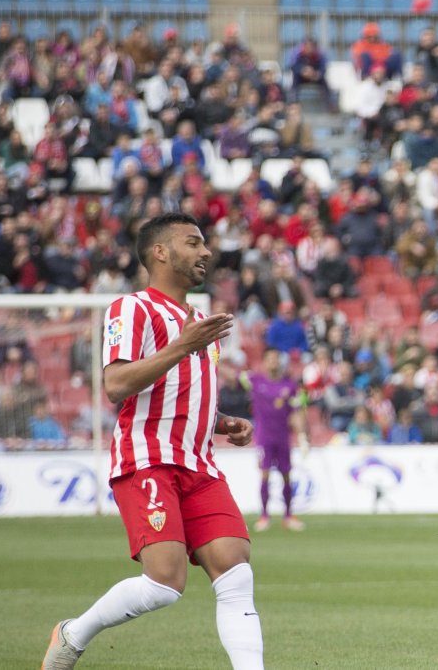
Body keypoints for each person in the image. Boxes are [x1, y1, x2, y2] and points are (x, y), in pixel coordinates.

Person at [42, 213, 263, 669]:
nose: (206, 252)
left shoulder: (200, 320)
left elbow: (181, 394)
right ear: (160, 252)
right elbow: (117, 384)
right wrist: (182, 345)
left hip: (199, 466)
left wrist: (222, 423)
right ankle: (71, 634)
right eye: (193, 242)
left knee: (236, 570)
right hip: (147, 460)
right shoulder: (132, 309)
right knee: (164, 583)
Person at [243, 347, 309, 533]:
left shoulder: (290, 386)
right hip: (264, 437)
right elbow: (233, 377)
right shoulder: (255, 381)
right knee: (265, 473)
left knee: (286, 475)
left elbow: (297, 413)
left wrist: (302, 436)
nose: (274, 362)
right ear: (264, 362)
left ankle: (289, 515)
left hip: (283, 437)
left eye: (276, 358)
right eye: (270, 359)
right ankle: (264, 515)